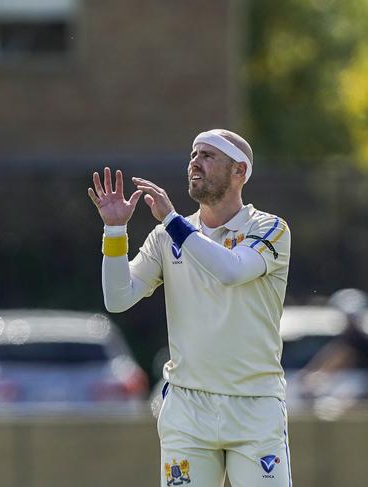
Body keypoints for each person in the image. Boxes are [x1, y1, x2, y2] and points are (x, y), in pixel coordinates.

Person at [88, 129, 292, 487]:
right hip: (188, 409)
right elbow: (118, 298)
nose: (195, 162)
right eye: (193, 154)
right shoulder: (168, 237)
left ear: (239, 171)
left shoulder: (269, 228)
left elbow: (232, 270)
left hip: (254, 405)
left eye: (209, 156)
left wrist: (171, 221)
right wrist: (115, 231)